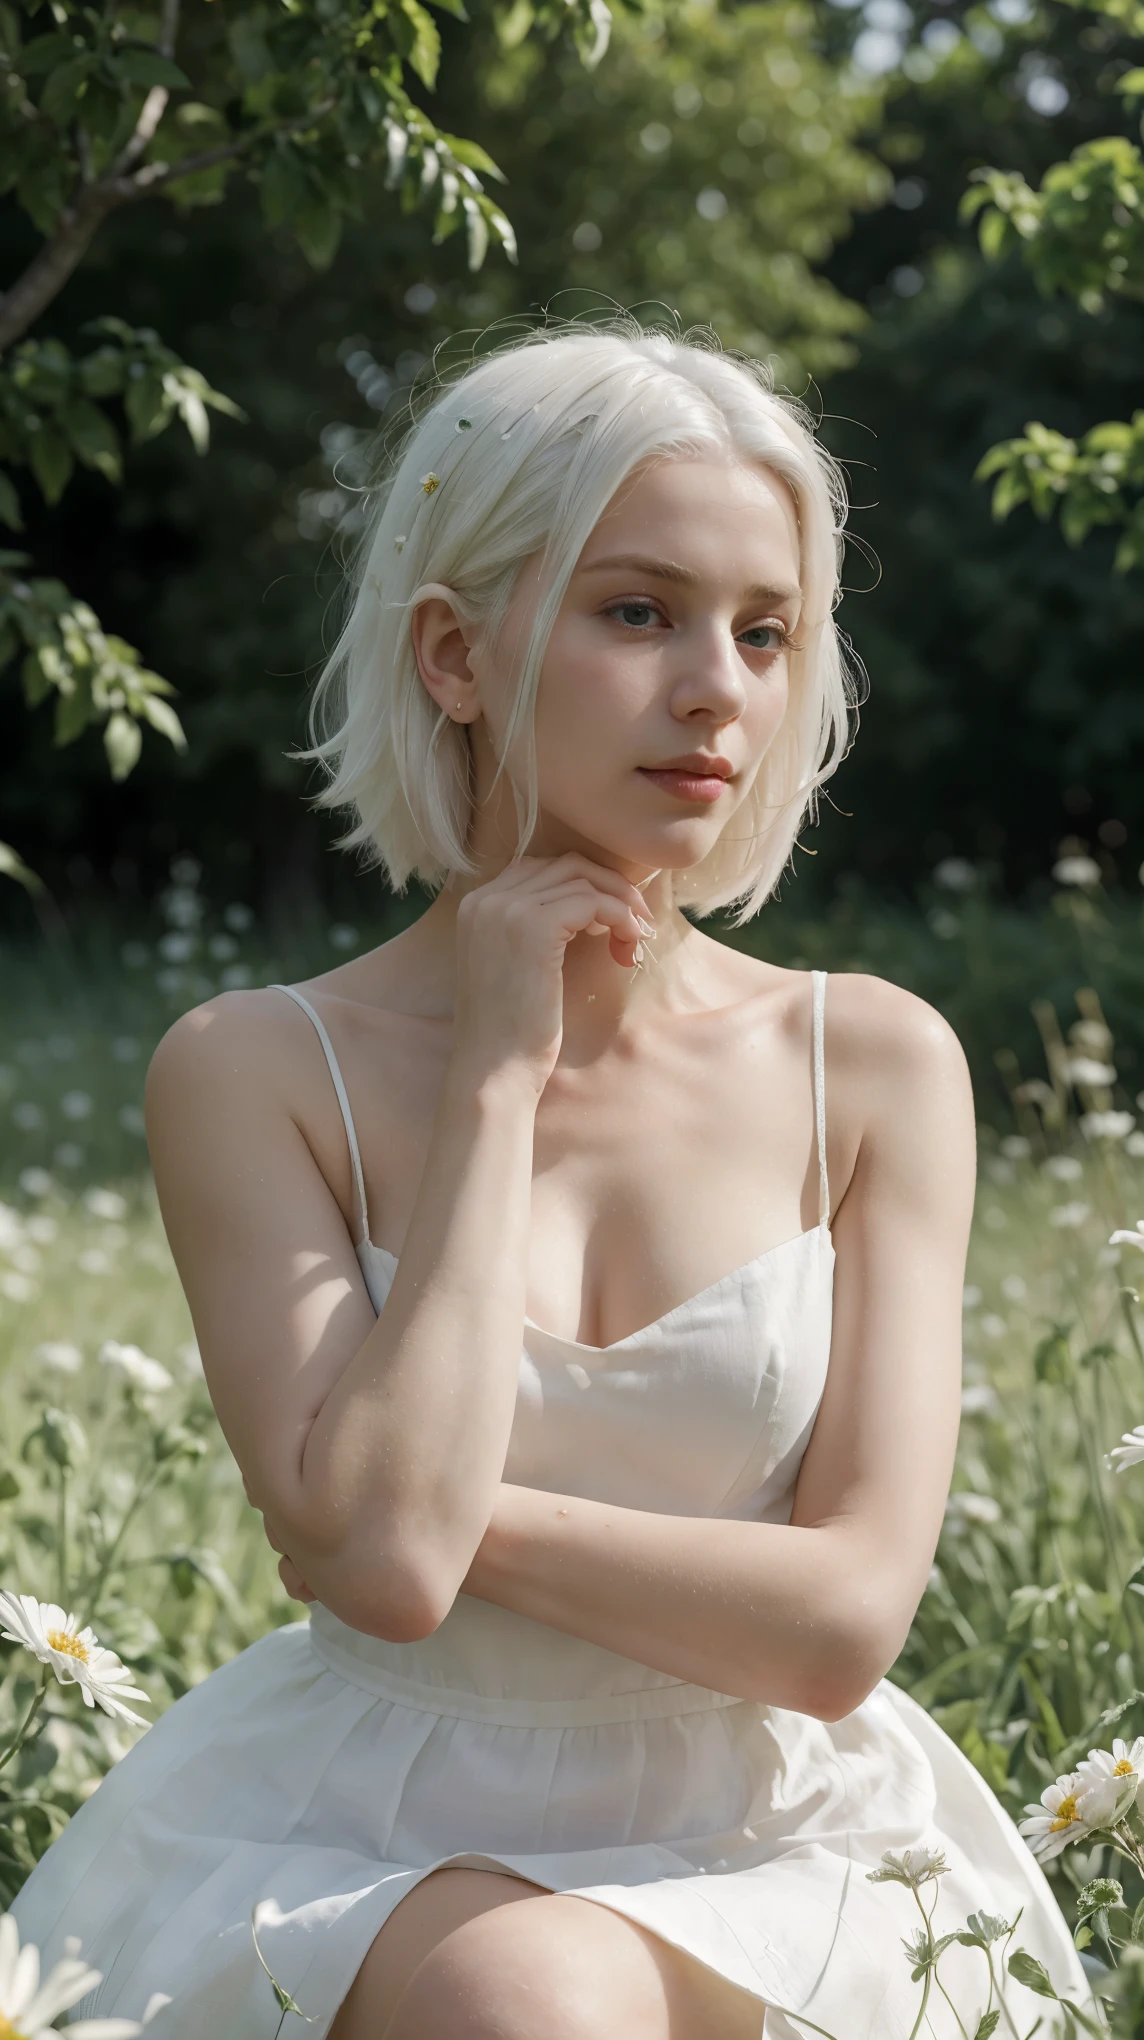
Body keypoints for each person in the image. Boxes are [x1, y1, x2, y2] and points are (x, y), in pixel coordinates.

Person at [12, 321, 1091, 2039]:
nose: (716, 689)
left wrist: (414, 1511)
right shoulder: (253, 1068)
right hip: (358, 1828)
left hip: (783, 1832)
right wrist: (499, 1072)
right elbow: (380, 1580)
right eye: (638, 611)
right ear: (453, 650)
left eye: (766, 632)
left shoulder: (874, 1064)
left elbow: (836, 1628)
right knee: (526, 1994)